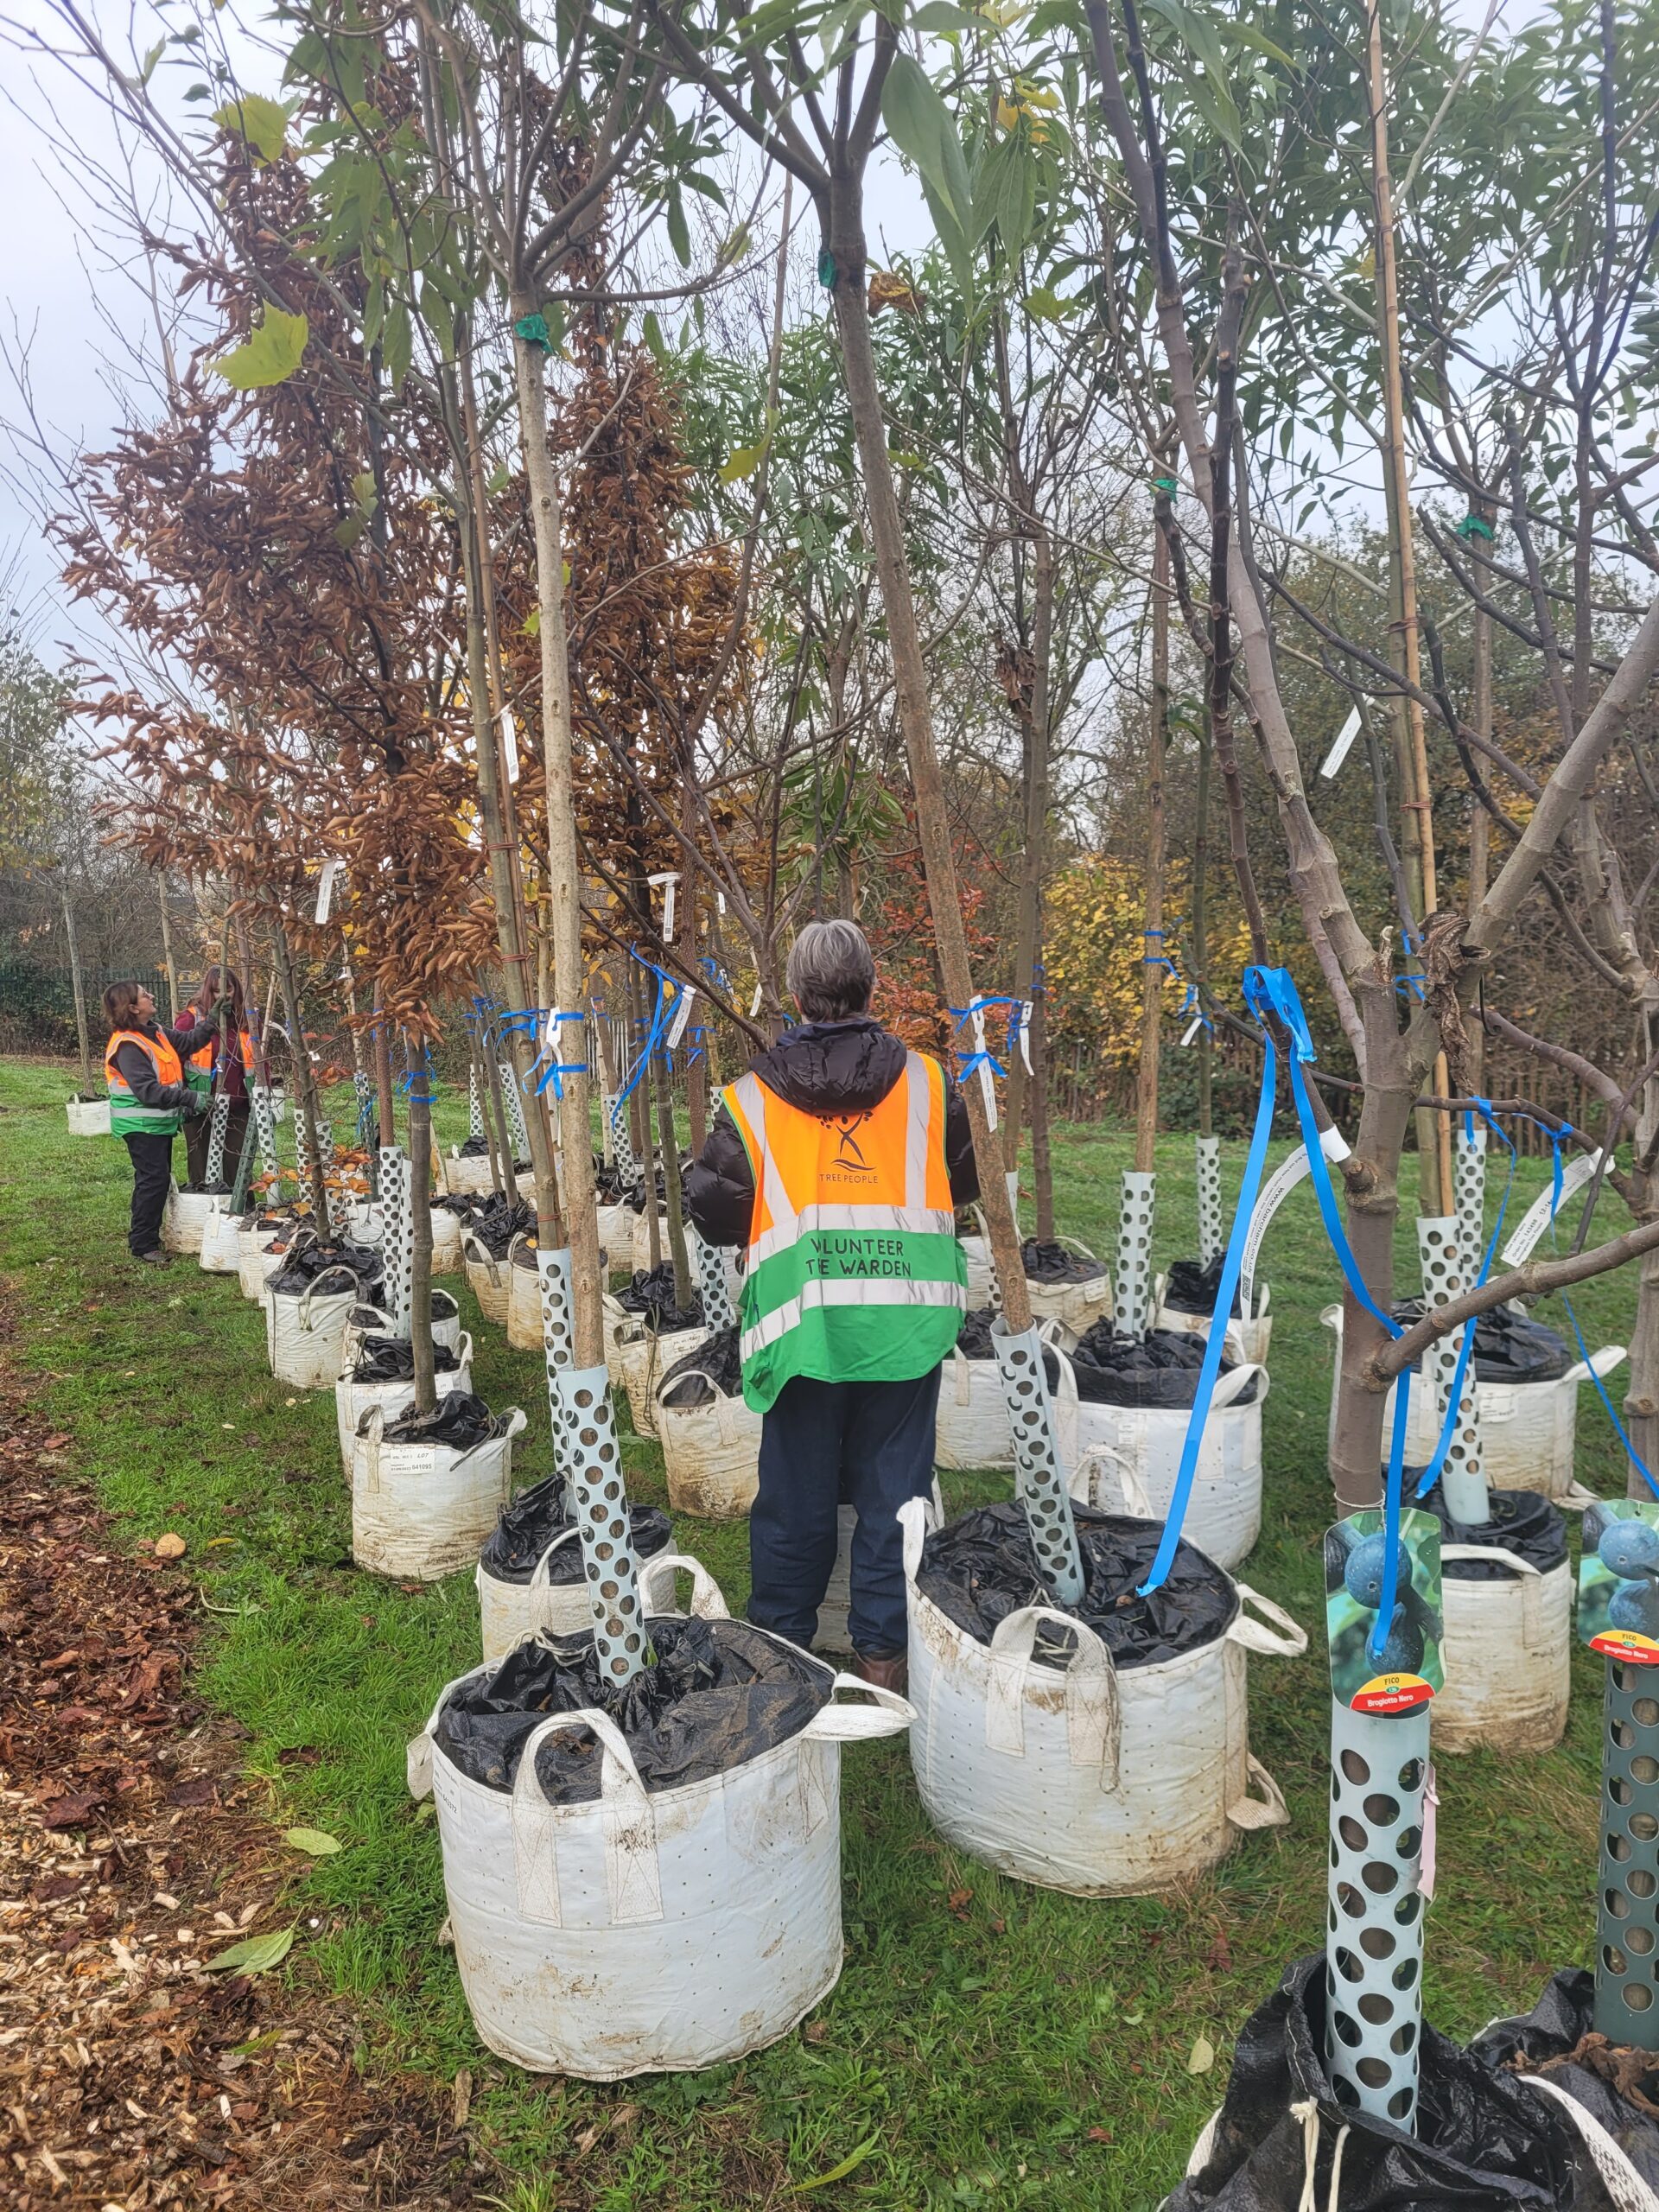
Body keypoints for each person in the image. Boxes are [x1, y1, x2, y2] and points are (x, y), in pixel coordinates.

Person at [686, 918, 978, 1693]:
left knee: (794, 1496)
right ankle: (883, 1662)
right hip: (905, 1323)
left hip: (803, 1326)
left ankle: (783, 1656)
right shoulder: (929, 1084)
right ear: (871, 986)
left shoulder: (750, 1100)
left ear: (795, 994)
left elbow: (714, 1211)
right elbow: (965, 1180)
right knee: (894, 1491)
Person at [103, 981, 223, 1265]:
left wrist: (212, 1020)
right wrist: (189, 1098)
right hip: (141, 1124)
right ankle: (143, 1243)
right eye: (145, 995)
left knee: (152, 1180)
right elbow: (148, 1091)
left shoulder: (154, 1032)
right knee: (153, 1181)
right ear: (133, 1007)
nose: (151, 996)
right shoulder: (128, 1044)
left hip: (156, 1124)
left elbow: (189, 1042)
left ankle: (142, 1237)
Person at [181, 966, 255, 1188]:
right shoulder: (191, 1019)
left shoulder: (247, 1019)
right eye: (215, 991)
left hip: (239, 1104)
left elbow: (260, 1061)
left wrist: (264, 1093)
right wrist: (183, 1095)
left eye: (228, 990)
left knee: (237, 1162)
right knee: (201, 1163)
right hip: (200, 1104)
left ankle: (240, 1209)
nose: (223, 996)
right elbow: (174, 1056)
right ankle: (203, 1208)